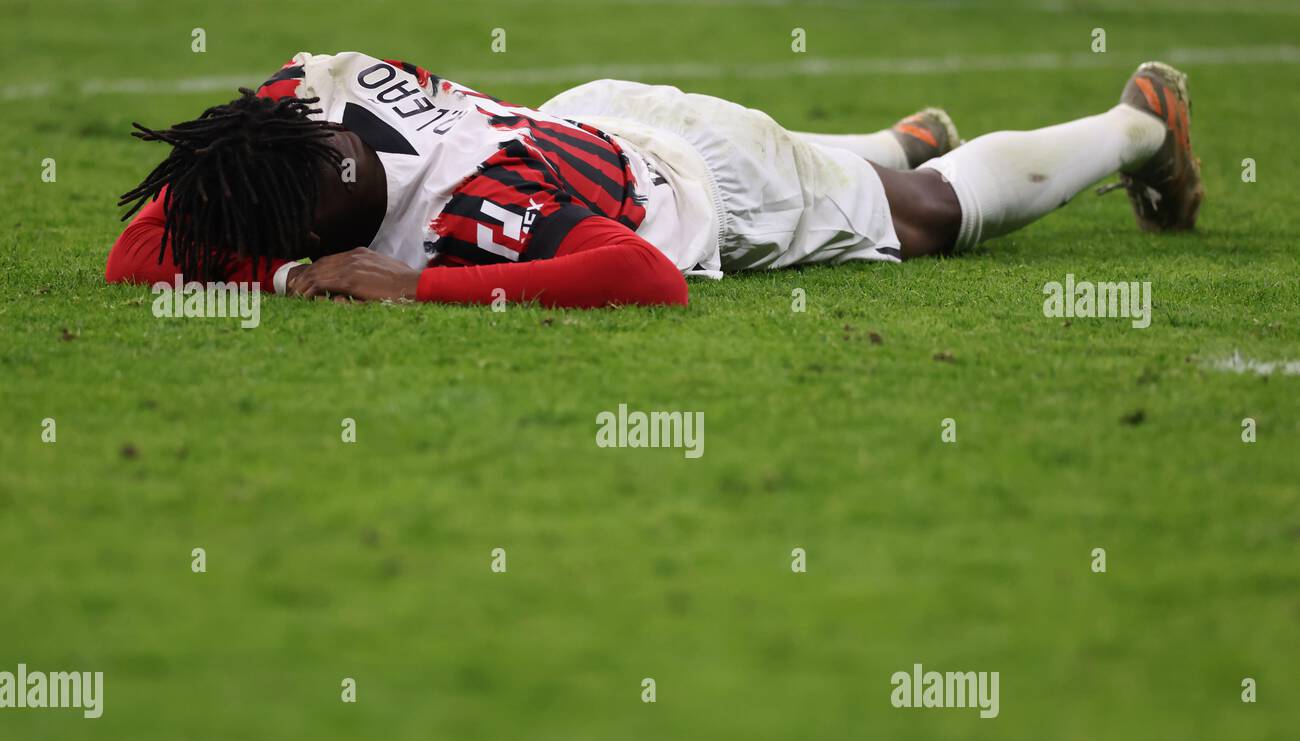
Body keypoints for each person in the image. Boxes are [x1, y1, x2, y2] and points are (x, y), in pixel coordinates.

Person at [106, 52, 1202, 308]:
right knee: (838, 168)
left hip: (700, 178)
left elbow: (643, 277)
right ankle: (886, 139)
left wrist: (408, 287)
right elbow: (141, 244)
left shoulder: (473, 219)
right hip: (591, 114)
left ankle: (1136, 126)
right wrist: (286, 260)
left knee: (928, 219)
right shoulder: (303, 90)